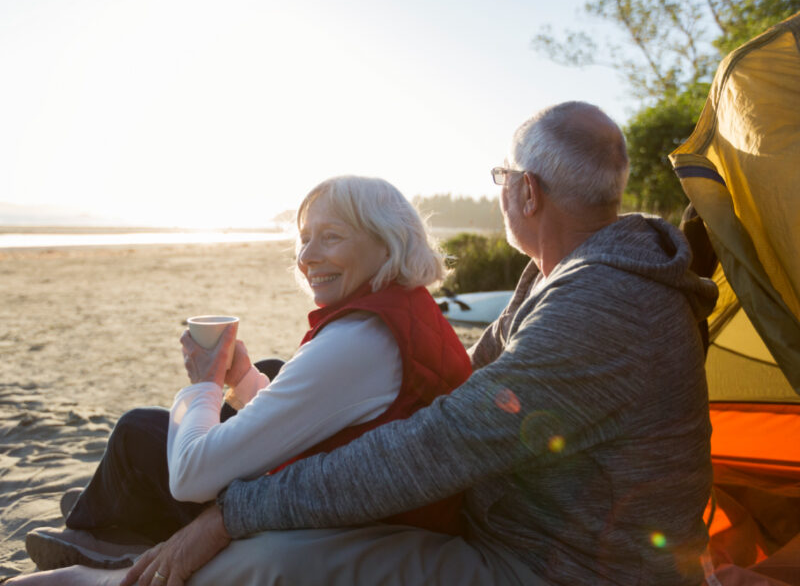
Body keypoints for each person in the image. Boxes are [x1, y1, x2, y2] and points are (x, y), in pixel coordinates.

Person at [17, 100, 719, 586]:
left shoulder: (606, 304)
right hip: (513, 530)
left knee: (255, 569)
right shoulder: (566, 283)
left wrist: (232, 516)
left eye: (501, 180)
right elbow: (441, 413)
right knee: (250, 425)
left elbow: (435, 443)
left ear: (526, 193)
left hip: (555, 569)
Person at [13, 176, 471, 582]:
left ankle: (89, 533)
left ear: (387, 244)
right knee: (267, 372)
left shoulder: (361, 340)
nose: (307, 257)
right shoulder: (405, 312)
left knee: (138, 432)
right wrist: (243, 380)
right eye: (304, 238)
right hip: (359, 506)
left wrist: (205, 383)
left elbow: (191, 479)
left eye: (330, 237)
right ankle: (103, 512)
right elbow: (331, 426)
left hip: (328, 525)